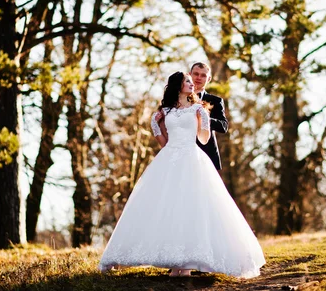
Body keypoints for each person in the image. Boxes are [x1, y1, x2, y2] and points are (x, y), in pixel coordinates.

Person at [98, 72, 265, 278]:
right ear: (178, 86)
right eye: (187, 81)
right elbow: (164, 143)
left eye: (191, 81)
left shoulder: (197, 108)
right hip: (168, 159)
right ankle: (172, 259)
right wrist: (155, 123)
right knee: (166, 206)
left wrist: (202, 120)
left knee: (191, 206)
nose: (192, 84)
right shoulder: (166, 111)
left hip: (192, 158)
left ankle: (185, 265)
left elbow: (203, 140)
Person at [154, 62, 228, 170]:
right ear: (189, 74)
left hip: (206, 154)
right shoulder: (171, 104)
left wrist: (201, 119)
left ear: (209, 79)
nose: (199, 78)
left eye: (203, 75)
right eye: (196, 74)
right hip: (176, 155)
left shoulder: (215, 101)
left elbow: (224, 126)